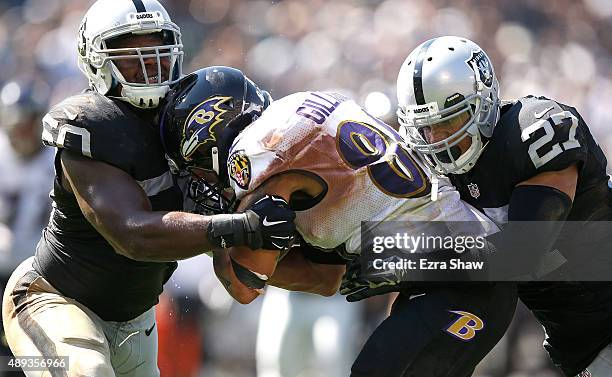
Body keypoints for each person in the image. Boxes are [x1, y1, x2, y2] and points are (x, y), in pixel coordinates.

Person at [161, 65, 518, 377]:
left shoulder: (259, 151)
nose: (201, 179)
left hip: (468, 275)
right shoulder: (299, 107)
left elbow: (245, 282)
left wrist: (214, 236)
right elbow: (325, 278)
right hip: (459, 270)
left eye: (195, 167)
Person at [1, 1, 294, 376]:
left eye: (157, 52)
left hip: (136, 322)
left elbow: (238, 280)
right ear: (96, 61)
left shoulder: (190, 118)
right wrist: (242, 226)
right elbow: (132, 234)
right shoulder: (90, 124)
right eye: (130, 55)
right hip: (52, 302)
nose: (149, 66)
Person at [395, 36, 612, 377]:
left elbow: (520, 254)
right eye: (426, 129)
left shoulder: (533, 131)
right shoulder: (433, 174)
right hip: (579, 344)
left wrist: (403, 262)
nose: (438, 141)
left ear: (483, 102)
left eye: (448, 122)